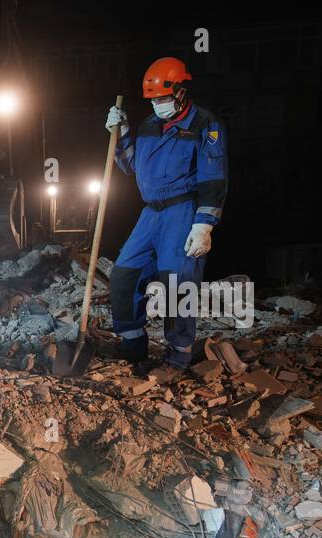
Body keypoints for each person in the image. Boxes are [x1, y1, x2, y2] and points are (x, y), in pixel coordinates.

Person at [106, 56, 228, 378]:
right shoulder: (148, 126)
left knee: (177, 285)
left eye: (163, 98)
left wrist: (204, 224)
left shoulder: (205, 125)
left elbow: (214, 178)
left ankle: (177, 357)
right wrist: (121, 133)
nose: (158, 104)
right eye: (154, 99)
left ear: (181, 91)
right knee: (123, 275)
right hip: (150, 214)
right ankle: (133, 346)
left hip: (182, 211)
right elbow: (131, 166)